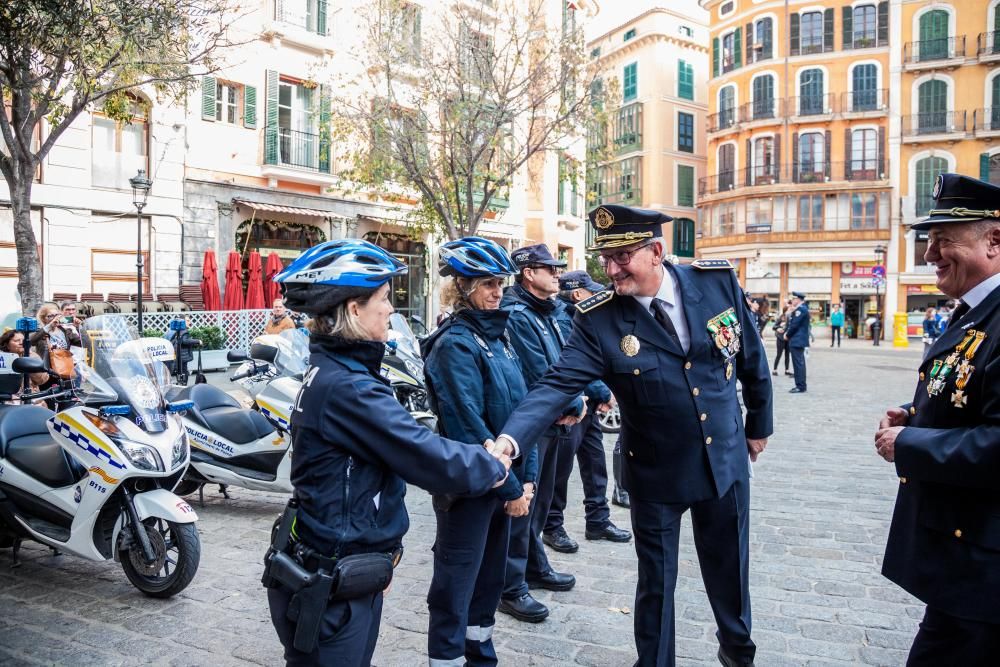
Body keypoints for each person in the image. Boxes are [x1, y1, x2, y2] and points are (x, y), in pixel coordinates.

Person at [493, 204, 773, 667]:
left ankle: (738, 652)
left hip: (723, 460)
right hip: (655, 470)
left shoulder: (714, 283)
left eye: (623, 256)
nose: (611, 268)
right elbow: (555, 385)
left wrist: (758, 423)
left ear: (657, 251)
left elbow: (751, 358)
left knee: (730, 572)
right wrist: (510, 440)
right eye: (606, 257)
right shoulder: (598, 318)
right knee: (657, 584)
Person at [265, 239, 513, 666]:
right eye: (383, 299)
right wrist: (492, 466)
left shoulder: (336, 371)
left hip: (337, 569)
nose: (391, 310)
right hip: (329, 583)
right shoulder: (351, 389)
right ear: (354, 310)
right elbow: (422, 453)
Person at [874, 173, 1000, 664]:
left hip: (984, 566)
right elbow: (971, 390)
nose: (930, 255)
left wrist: (908, 444)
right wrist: (915, 412)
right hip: (965, 558)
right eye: (930, 240)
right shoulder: (976, 309)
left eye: (944, 240)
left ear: (994, 239)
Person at [421, 237, 539, 666]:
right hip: (469, 488)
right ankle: (448, 659)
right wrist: (511, 488)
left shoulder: (501, 336)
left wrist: (528, 477)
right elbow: (467, 425)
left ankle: (480, 656)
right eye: (488, 283)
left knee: (489, 582)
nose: (497, 291)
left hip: (504, 484)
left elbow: (524, 407)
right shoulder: (454, 344)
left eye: (500, 283)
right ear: (461, 287)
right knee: (455, 586)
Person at [498, 243, 584, 623]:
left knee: (543, 501)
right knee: (524, 506)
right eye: (550, 268)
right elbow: (539, 371)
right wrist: (570, 404)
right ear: (529, 273)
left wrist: (582, 398)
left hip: (555, 419)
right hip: (535, 422)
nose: (558, 274)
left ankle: (535, 567)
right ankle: (511, 585)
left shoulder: (549, 311)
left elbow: (567, 358)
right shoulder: (518, 313)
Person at [544, 270, 631, 552]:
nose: (597, 296)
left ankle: (598, 520)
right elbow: (575, 364)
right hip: (571, 405)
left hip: (588, 405)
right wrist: (603, 392)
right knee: (560, 470)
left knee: (595, 463)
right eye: (591, 291)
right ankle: (552, 527)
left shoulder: (584, 317)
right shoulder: (563, 319)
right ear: (579, 294)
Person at [784, 292, 810, 393]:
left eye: (794, 299)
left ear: (798, 299)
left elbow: (795, 325)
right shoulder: (801, 309)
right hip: (798, 340)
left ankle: (800, 386)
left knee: (798, 364)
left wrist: (787, 334)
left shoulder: (801, 310)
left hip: (797, 340)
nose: (792, 301)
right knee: (800, 363)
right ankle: (801, 384)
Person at [772, 303, 791, 377]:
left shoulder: (791, 317)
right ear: (785, 310)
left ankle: (787, 370)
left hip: (788, 338)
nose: (790, 310)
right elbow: (774, 327)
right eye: (789, 309)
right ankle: (775, 369)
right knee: (779, 354)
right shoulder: (781, 317)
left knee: (787, 355)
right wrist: (779, 327)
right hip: (780, 338)